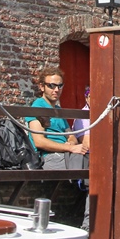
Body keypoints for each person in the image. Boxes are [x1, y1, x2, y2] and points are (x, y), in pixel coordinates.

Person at [26, 66, 89, 230]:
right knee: (95, 171)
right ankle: (89, 226)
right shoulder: (37, 107)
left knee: (97, 167)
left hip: (66, 155)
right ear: (42, 87)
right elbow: (39, 141)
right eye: (51, 85)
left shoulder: (58, 109)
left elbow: (72, 135)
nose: (56, 90)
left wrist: (72, 144)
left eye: (60, 86)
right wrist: (69, 148)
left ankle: (89, 223)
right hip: (49, 157)